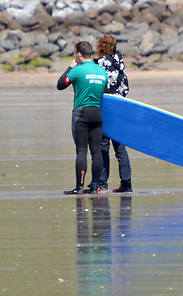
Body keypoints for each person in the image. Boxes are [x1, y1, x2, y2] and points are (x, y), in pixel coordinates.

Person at [57, 41, 108, 195]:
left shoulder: (77, 70)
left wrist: (70, 67)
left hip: (81, 114)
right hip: (97, 114)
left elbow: (60, 84)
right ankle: (94, 185)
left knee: (81, 150)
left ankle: (79, 187)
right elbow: (104, 91)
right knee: (96, 151)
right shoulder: (102, 72)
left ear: (79, 54)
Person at [95, 35, 132, 193]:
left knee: (103, 146)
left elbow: (97, 87)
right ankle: (126, 183)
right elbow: (125, 87)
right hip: (120, 106)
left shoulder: (99, 64)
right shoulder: (120, 63)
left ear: (101, 47)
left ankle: (102, 184)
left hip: (106, 106)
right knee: (120, 147)